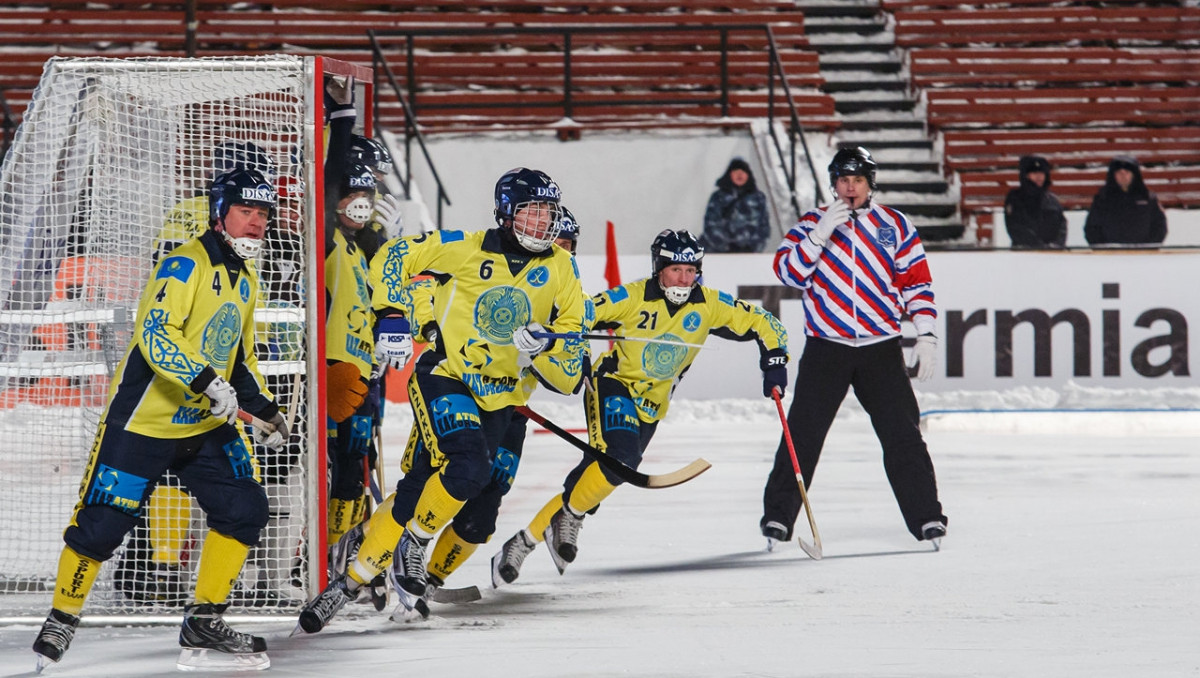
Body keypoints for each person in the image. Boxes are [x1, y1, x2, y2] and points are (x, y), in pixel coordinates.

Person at [295, 167, 588, 634]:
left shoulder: (562, 268)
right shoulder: (465, 246)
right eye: (533, 212)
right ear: (508, 215)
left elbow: (570, 369)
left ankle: (353, 579)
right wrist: (393, 315)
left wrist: (547, 348)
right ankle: (409, 547)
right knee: (465, 468)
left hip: (500, 398)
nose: (542, 224)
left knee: (432, 485)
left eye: (548, 214)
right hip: (447, 377)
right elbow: (394, 257)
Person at [32, 166, 290, 672]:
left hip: (204, 425)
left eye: (263, 213)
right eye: (246, 211)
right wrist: (205, 381)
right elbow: (155, 337)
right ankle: (62, 617)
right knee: (101, 528)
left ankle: (204, 619)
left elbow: (236, 358)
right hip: (143, 425)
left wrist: (265, 410)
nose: (257, 222)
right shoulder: (184, 265)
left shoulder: (246, 274)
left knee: (245, 509)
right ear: (220, 215)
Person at [492, 228, 790, 584]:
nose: (684, 278)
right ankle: (559, 523)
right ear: (658, 268)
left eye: (690, 270)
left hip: (651, 407)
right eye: (675, 270)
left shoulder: (709, 304)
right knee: (622, 459)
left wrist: (775, 362)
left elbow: (764, 322)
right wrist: (557, 340)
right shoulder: (632, 296)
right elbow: (582, 314)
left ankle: (523, 540)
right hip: (613, 386)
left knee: (604, 474)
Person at [761, 146, 948, 551]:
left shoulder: (894, 225)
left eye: (858, 180)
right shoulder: (812, 222)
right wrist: (820, 233)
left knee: (903, 435)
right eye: (843, 181)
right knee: (803, 434)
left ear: (870, 183)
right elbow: (789, 273)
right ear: (833, 183)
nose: (850, 188)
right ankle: (778, 516)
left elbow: (917, 284)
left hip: (881, 347)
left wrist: (926, 334)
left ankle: (927, 516)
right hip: (827, 347)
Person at [1083, 155, 1168, 246]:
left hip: (1142, 254)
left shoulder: (1148, 198)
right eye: (1119, 173)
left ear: (1134, 175)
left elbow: (1159, 226)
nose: (1123, 176)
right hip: (1110, 255)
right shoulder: (1102, 199)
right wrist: (1104, 248)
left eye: (1127, 172)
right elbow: (1092, 228)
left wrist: (1148, 247)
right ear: (1113, 175)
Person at [698, 157, 771, 253]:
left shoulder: (758, 198)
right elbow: (710, 225)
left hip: (749, 254)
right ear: (729, 175)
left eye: (743, 172)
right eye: (736, 171)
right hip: (719, 253)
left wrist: (752, 247)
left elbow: (763, 227)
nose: (740, 174)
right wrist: (725, 246)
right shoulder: (718, 197)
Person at [1004, 155, 1066, 249]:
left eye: (1042, 173)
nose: (1039, 177)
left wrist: (1057, 245)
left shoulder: (1051, 200)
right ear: (1026, 175)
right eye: (1034, 173)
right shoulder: (1015, 198)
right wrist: (1037, 245)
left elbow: (1061, 226)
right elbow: (1015, 226)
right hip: (1025, 253)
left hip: (1052, 255)